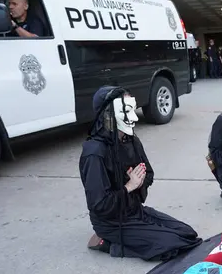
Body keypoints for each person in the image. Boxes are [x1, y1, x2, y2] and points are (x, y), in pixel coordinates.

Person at [79, 86, 202, 261]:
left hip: (135, 211)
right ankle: (108, 244)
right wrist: (129, 187)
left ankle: (137, 237)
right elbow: (99, 204)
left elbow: (149, 173)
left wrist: (140, 179)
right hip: (113, 222)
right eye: (127, 111)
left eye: (133, 110)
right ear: (108, 114)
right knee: (171, 246)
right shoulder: (95, 152)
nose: (135, 117)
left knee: (187, 234)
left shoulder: (131, 140)